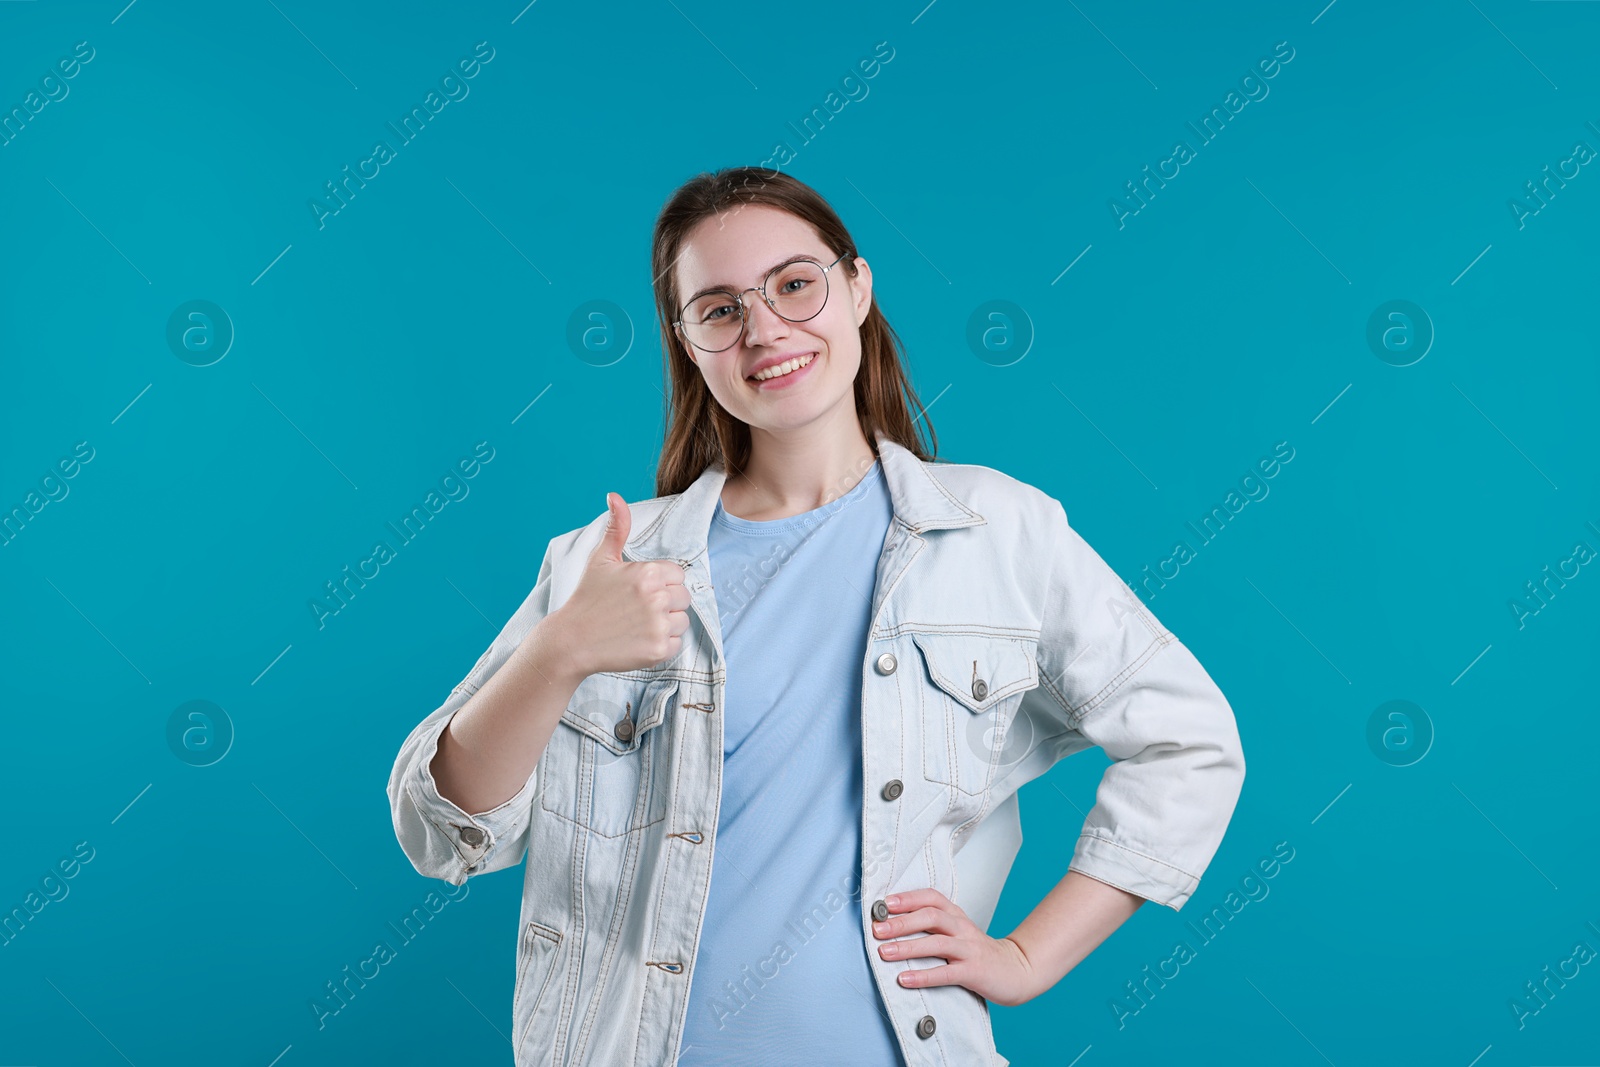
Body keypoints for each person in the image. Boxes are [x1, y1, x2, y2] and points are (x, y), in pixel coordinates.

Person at [387, 167, 1245, 1067]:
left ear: (858, 287)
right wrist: (558, 652)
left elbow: (1190, 741)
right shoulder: (608, 560)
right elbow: (438, 830)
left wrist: (1028, 956)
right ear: (688, 341)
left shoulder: (996, 530)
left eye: (795, 284)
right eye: (719, 309)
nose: (765, 329)